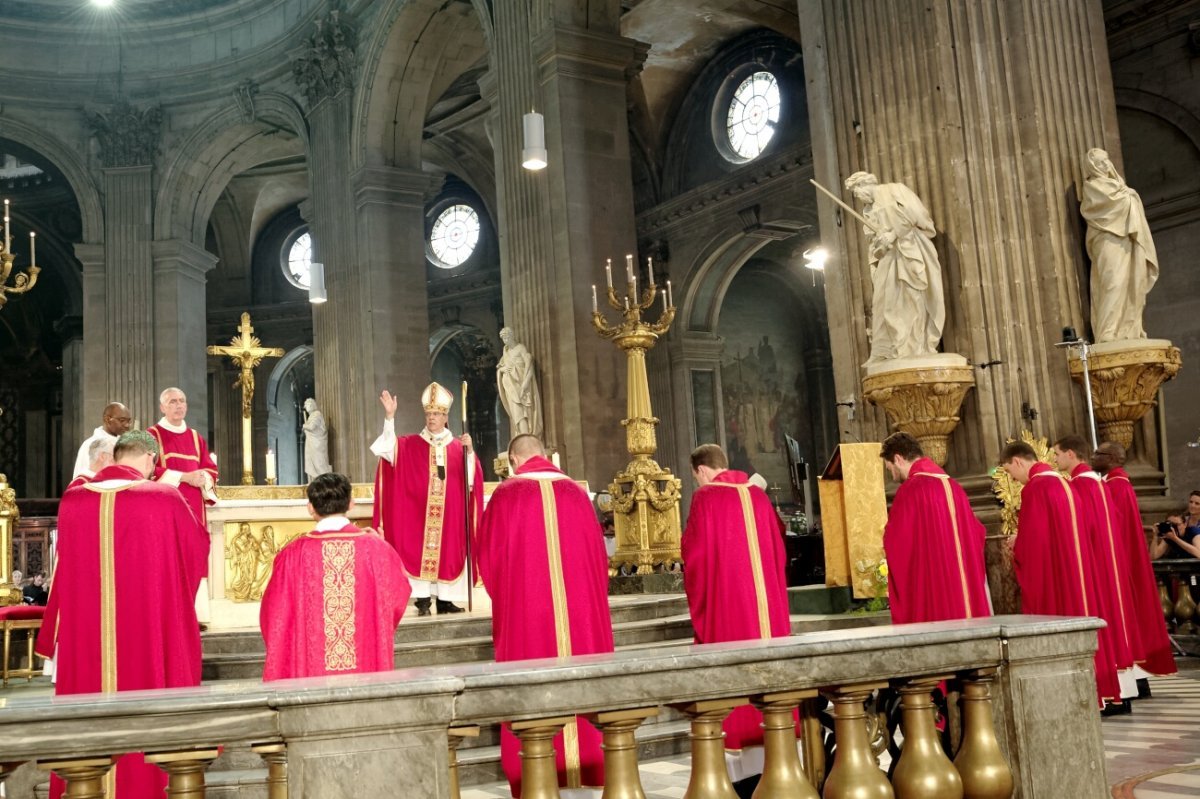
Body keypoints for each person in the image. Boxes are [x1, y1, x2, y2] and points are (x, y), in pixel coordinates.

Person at [47, 430, 208, 798]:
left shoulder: (73, 500)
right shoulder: (164, 497)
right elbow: (195, 553)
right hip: (148, 629)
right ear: (151, 459)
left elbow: (64, 572)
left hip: (87, 635)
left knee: (89, 699)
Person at [477, 434, 613, 797]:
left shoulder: (507, 495)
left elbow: (488, 563)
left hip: (527, 619)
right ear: (543, 455)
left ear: (515, 461)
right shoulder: (577, 495)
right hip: (581, 618)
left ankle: (538, 781)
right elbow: (601, 564)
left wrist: (510, 598)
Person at [682, 443, 791, 793]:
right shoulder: (757, 495)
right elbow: (779, 548)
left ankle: (743, 779)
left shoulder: (706, 499)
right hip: (767, 615)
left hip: (729, 611)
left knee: (733, 689)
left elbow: (694, 559)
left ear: (700, 471)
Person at [999, 441, 1120, 707]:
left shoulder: (1037, 488)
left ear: (1018, 462)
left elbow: (1036, 543)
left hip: (1056, 576)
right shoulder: (1064, 482)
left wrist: (1017, 544)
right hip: (1077, 571)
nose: (1013, 479)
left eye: (1010, 472)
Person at [260, 473, 410, 681]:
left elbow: (274, 614)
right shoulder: (376, 550)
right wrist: (383, 548)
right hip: (366, 669)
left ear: (310, 507)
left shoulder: (293, 555)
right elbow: (398, 595)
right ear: (351, 503)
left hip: (310, 675)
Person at [371, 382, 482, 615]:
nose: (432, 418)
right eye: (429, 413)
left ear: (445, 416)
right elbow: (386, 450)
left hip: (450, 515)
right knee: (416, 549)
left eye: (437, 414)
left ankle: (445, 600)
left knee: (448, 552)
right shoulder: (409, 444)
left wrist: (470, 452)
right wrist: (390, 417)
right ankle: (422, 600)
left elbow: (471, 480)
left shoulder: (457, 447)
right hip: (417, 514)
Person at [1053, 435, 1139, 708]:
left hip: (1093, 566)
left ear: (1070, 454)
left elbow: (1077, 530)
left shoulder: (1079, 485)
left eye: (1056, 454)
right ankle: (1122, 691)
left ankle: (1111, 692)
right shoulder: (1099, 483)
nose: (1054, 460)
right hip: (1109, 563)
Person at [879, 432, 991, 623]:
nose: (892, 474)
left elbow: (897, 543)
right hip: (963, 588)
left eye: (890, 468)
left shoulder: (911, 490)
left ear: (898, 458)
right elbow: (977, 533)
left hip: (936, 585)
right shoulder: (954, 486)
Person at [1093, 441, 1176, 679]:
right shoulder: (1118, 482)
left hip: (1120, 561)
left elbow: (1110, 528)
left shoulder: (1114, 485)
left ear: (1110, 458)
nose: (1093, 457)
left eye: (1097, 453)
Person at [844, 171, 946, 365]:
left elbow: (917, 216)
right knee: (883, 302)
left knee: (911, 298)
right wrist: (880, 243)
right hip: (890, 258)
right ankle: (888, 349)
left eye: (856, 191)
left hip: (910, 250)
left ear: (865, 184)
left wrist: (893, 234)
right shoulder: (867, 210)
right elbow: (872, 241)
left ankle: (913, 347)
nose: (857, 197)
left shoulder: (895, 191)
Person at [1080, 147, 1159, 342]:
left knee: (1133, 281)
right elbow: (1100, 209)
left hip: (1126, 238)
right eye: (1100, 162)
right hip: (1107, 239)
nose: (1105, 165)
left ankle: (1129, 329)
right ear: (1092, 167)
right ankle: (1107, 331)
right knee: (1112, 281)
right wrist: (1128, 197)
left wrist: (1129, 196)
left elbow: (1125, 201)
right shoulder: (1092, 187)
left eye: (1107, 160)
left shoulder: (1120, 187)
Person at [148, 387, 218, 525]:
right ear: (162, 407)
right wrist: (185, 477)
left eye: (182, 401)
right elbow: (147, 470)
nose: (179, 405)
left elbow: (211, 469)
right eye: (172, 402)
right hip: (165, 504)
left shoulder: (195, 437)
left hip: (194, 506)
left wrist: (203, 478)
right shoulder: (152, 435)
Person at [497, 327, 544, 439]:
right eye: (503, 338)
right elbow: (500, 366)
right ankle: (522, 436)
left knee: (524, 412)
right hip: (510, 387)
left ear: (512, 336)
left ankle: (527, 437)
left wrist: (525, 384)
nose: (505, 340)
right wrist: (502, 370)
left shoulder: (520, 348)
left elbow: (529, 366)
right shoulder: (506, 351)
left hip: (521, 386)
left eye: (507, 337)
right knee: (516, 412)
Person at [71, 401, 132, 478]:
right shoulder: (90, 444)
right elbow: (81, 478)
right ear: (107, 419)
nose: (127, 425)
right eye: (122, 420)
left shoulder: (125, 444)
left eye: (129, 421)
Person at [303, 397, 333, 480]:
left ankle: (322, 480)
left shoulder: (317, 414)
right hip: (312, 443)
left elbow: (312, 427)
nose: (306, 407)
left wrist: (304, 426)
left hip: (317, 444)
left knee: (319, 462)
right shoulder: (311, 416)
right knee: (312, 464)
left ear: (312, 405)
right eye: (305, 405)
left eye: (307, 405)